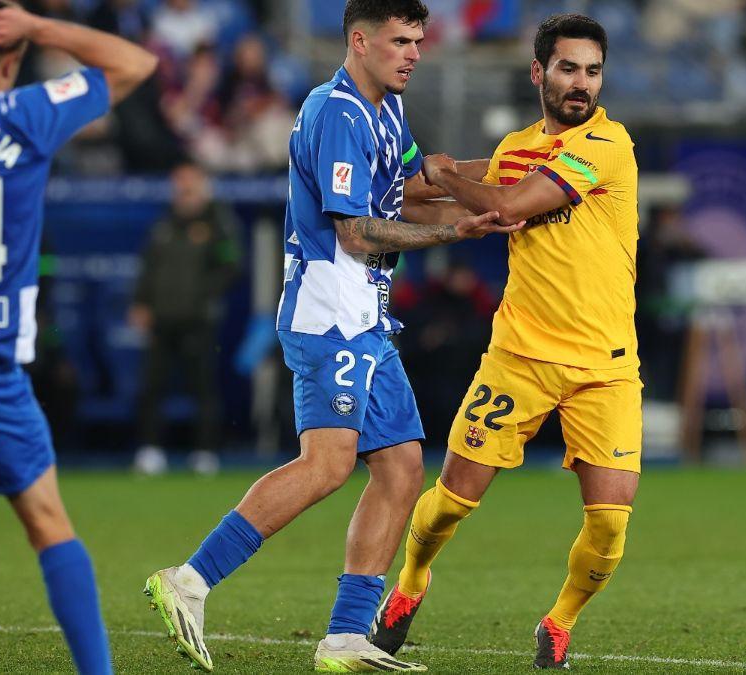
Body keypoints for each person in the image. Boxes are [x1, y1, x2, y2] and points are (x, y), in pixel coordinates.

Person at [141, 1, 520, 672]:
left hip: (367, 316)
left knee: (401, 468)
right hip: (329, 314)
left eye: (418, 41)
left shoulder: (387, 110)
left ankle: (346, 636)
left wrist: (509, 172)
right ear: (360, 40)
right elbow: (355, 228)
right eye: (400, 41)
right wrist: (452, 232)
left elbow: (407, 188)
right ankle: (188, 580)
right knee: (328, 464)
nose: (414, 53)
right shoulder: (335, 112)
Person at [370, 14, 642, 670]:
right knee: (450, 504)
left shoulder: (608, 143)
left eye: (593, 70)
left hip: (604, 367)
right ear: (538, 72)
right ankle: (409, 583)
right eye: (569, 68)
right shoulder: (514, 148)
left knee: (610, 525)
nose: (582, 83)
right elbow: (436, 201)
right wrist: (382, 180)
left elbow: (512, 203)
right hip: (518, 357)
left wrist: (443, 172)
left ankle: (559, 621)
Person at [0, 1, 157, 673]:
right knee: (46, 519)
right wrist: (41, 27)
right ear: (12, 59)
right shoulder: (25, 113)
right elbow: (137, 63)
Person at [130, 161, 241, 475]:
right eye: (179, 185)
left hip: (198, 320)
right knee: (152, 386)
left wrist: (202, 298)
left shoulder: (219, 223)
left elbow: (231, 267)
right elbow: (148, 268)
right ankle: (149, 450)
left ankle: (205, 452)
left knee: (202, 388)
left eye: (189, 184)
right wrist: (140, 302)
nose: (183, 191)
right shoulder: (164, 224)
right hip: (161, 319)